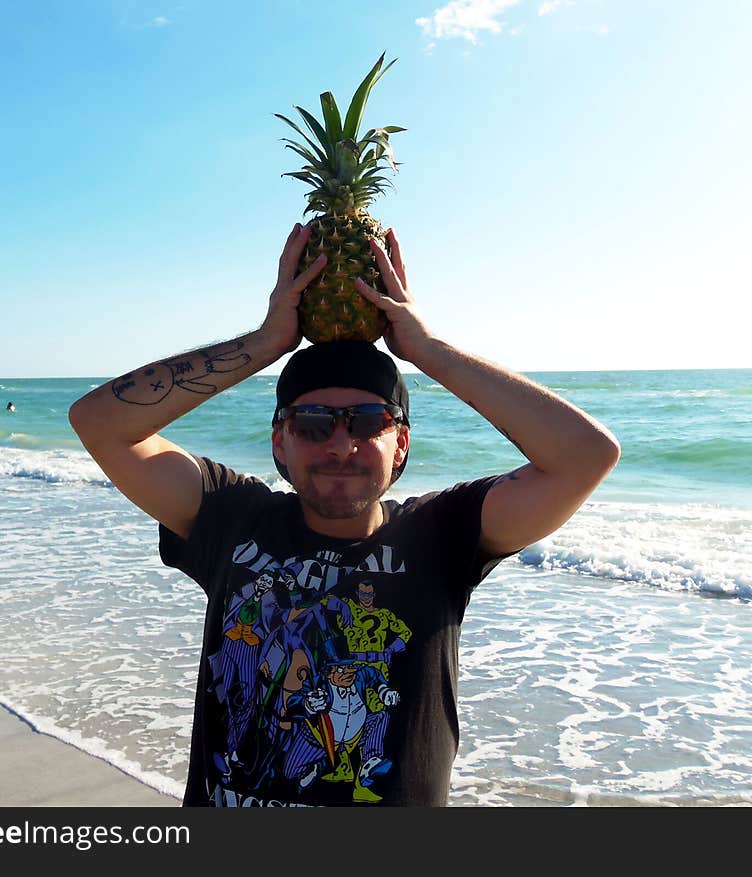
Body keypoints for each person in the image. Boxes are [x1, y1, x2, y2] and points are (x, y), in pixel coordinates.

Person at [69, 222, 621, 806]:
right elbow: (99, 421)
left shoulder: (441, 534)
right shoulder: (231, 518)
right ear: (279, 441)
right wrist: (265, 343)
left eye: (367, 422)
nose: (339, 446)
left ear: (401, 443)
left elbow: (586, 456)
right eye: (312, 425)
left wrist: (426, 350)